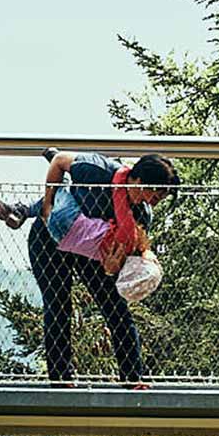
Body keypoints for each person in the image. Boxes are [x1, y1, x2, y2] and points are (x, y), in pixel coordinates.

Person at [25, 151, 181, 389]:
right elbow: (58, 163)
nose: (151, 202)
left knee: (115, 308)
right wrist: (47, 205)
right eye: (153, 194)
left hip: (94, 250)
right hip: (50, 237)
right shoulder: (98, 170)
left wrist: (112, 269)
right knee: (58, 305)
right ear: (138, 180)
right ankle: (60, 378)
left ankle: (132, 377)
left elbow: (128, 252)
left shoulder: (140, 213)